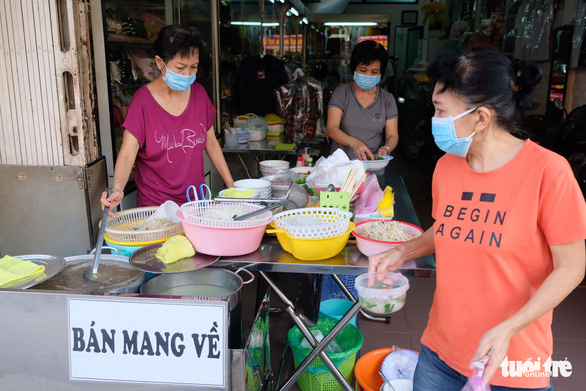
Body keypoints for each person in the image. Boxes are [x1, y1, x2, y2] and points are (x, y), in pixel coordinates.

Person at [369, 51, 586, 390]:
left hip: (512, 361)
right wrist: (404, 251)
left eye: (441, 110)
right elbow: (449, 226)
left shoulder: (549, 173)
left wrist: (510, 327)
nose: (434, 117)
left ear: (481, 118)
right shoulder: (447, 167)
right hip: (440, 352)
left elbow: (571, 267)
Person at [101, 25, 233, 214]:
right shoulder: (142, 103)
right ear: (160, 63)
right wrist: (119, 188)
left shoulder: (199, 94)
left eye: (193, 67)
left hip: (196, 206)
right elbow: (127, 154)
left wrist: (231, 184)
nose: (187, 74)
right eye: (180, 67)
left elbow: (210, 142)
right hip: (157, 210)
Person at [326, 40, 399, 163]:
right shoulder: (341, 94)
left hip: (372, 166)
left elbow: (392, 135)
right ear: (354, 68)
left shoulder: (387, 99)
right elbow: (331, 128)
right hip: (340, 166)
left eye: (374, 72)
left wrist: (386, 148)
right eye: (363, 70)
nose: (368, 75)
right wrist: (354, 143)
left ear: (381, 73)